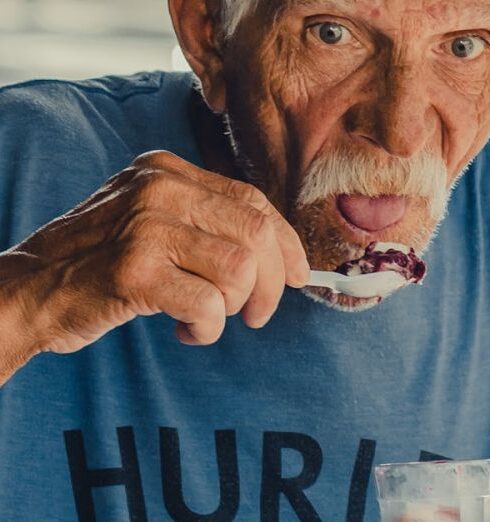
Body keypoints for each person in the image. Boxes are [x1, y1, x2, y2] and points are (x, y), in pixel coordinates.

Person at [0, 0, 489, 520]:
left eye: (464, 46)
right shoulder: (22, 158)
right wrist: (27, 302)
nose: (400, 131)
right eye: (330, 34)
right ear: (207, 35)